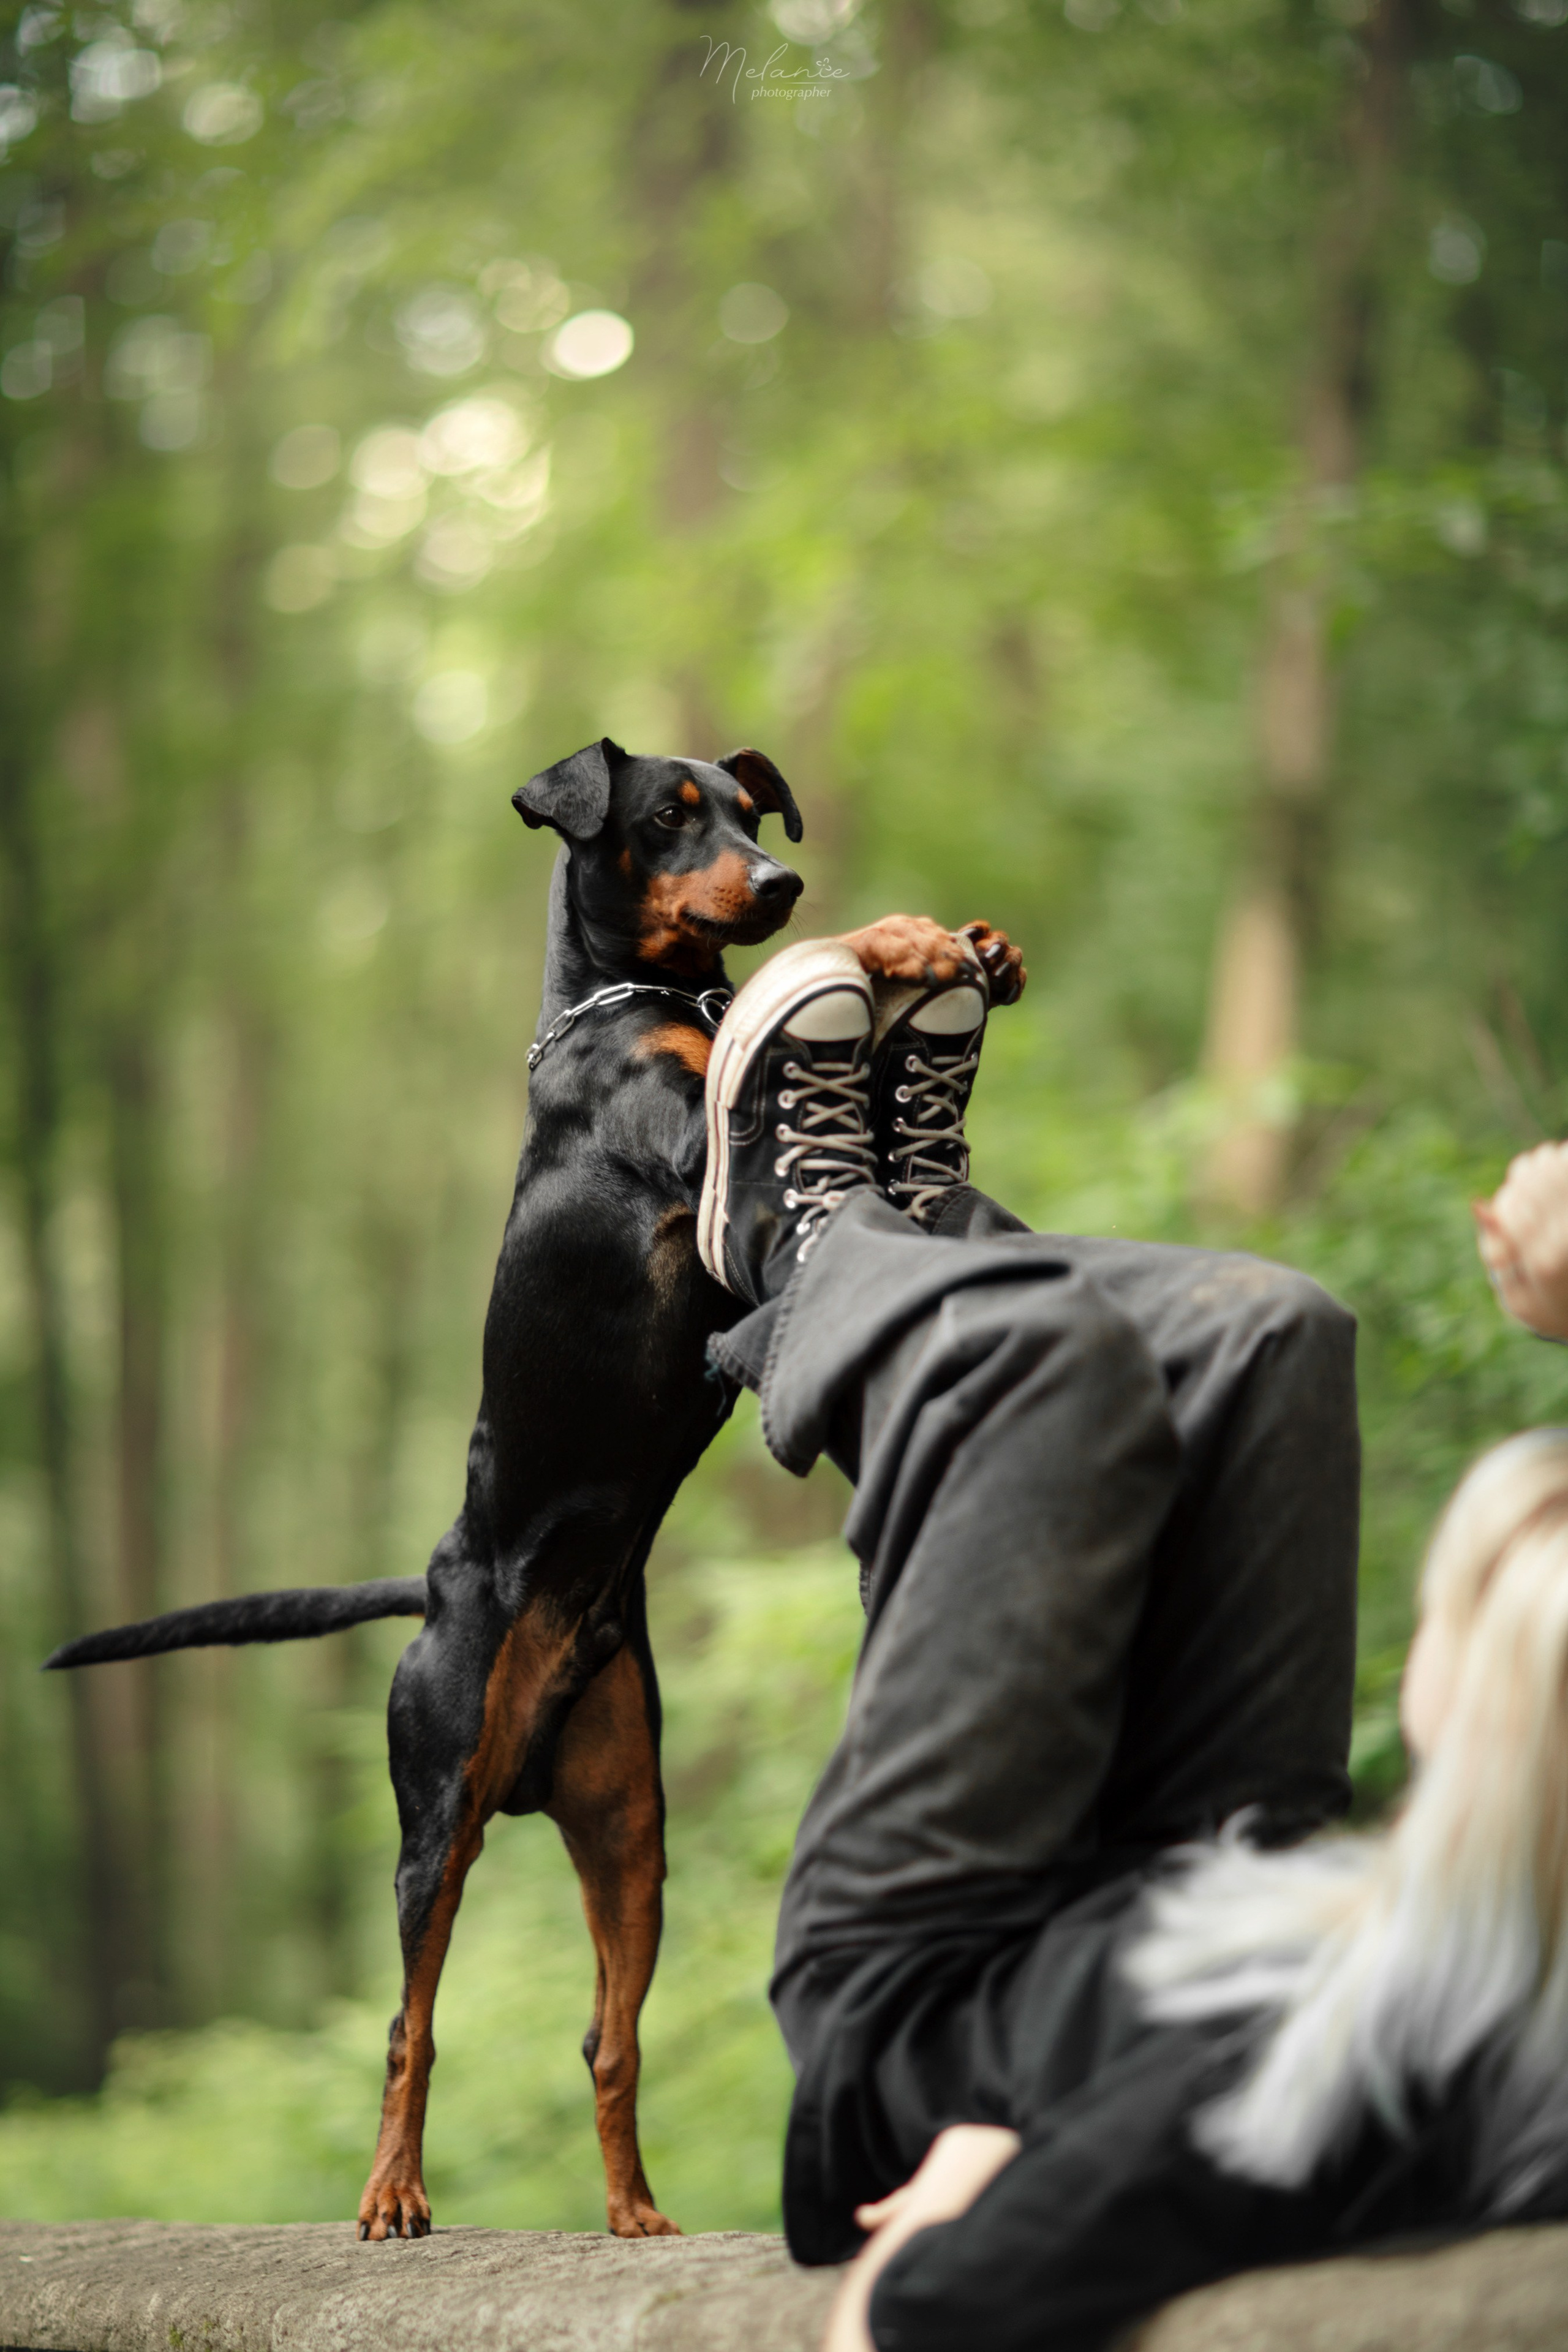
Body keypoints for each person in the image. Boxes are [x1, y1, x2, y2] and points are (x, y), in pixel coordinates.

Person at [692, 930, 1568, 2352]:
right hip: (1228, 1886)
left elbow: (907, 2326)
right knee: (1271, 1333)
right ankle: (915, 1242)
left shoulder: (1260, 2089)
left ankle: (799, 1255)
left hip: (928, 1982)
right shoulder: (1505, 1972)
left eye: (1464, 1597)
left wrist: (1009, 2157)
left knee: (1036, 1363)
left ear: (1477, 1724)